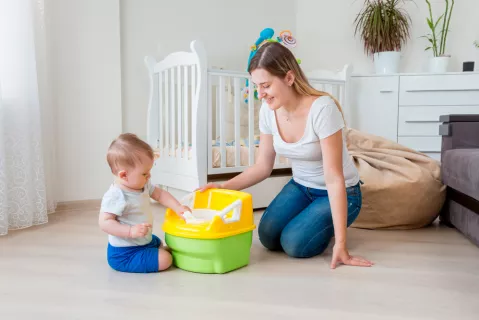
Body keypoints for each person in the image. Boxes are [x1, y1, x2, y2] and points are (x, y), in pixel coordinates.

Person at [199, 42, 373, 269]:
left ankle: (327, 226)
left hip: (341, 192)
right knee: (267, 235)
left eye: (266, 86)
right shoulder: (268, 111)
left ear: (289, 78)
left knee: (294, 244)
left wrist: (341, 244)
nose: (260, 94)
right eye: (257, 87)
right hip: (301, 186)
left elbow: (334, 178)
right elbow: (263, 166)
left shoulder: (322, 109)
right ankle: (314, 220)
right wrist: (224, 187)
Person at [98, 133, 190, 273]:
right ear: (124, 175)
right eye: (144, 173)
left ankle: (151, 251)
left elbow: (160, 194)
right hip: (125, 253)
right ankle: (153, 255)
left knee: (161, 243)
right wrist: (130, 231)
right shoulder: (116, 195)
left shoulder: (143, 184)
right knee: (166, 259)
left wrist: (177, 207)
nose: (149, 176)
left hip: (142, 239)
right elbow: (105, 222)